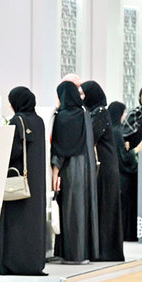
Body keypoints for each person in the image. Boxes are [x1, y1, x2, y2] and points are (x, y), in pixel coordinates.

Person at [0, 86, 47, 275]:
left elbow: (13, 151)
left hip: (18, 181)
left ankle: (14, 263)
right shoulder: (39, 121)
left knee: (16, 223)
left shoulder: (17, 121)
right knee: (34, 223)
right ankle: (33, 263)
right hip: (36, 181)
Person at [51, 81, 99, 264]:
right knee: (83, 210)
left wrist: (55, 170)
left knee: (71, 211)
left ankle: (72, 255)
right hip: (86, 167)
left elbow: (62, 146)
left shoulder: (64, 117)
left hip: (71, 168)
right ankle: (84, 253)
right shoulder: (84, 113)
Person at [81, 81, 124, 261]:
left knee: (105, 208)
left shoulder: (100, 113)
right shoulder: (94, 113)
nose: (81, 97)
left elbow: (91, 136)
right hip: (104, 167)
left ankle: (106, 251)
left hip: (105, 169)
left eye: (83, 94)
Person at [108, 102, 142, 242]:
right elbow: (124, 159)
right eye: (124, 112)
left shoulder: (112, 130)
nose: (125, 116)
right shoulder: (116, 132)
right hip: (123, 178)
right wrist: (138, 149)